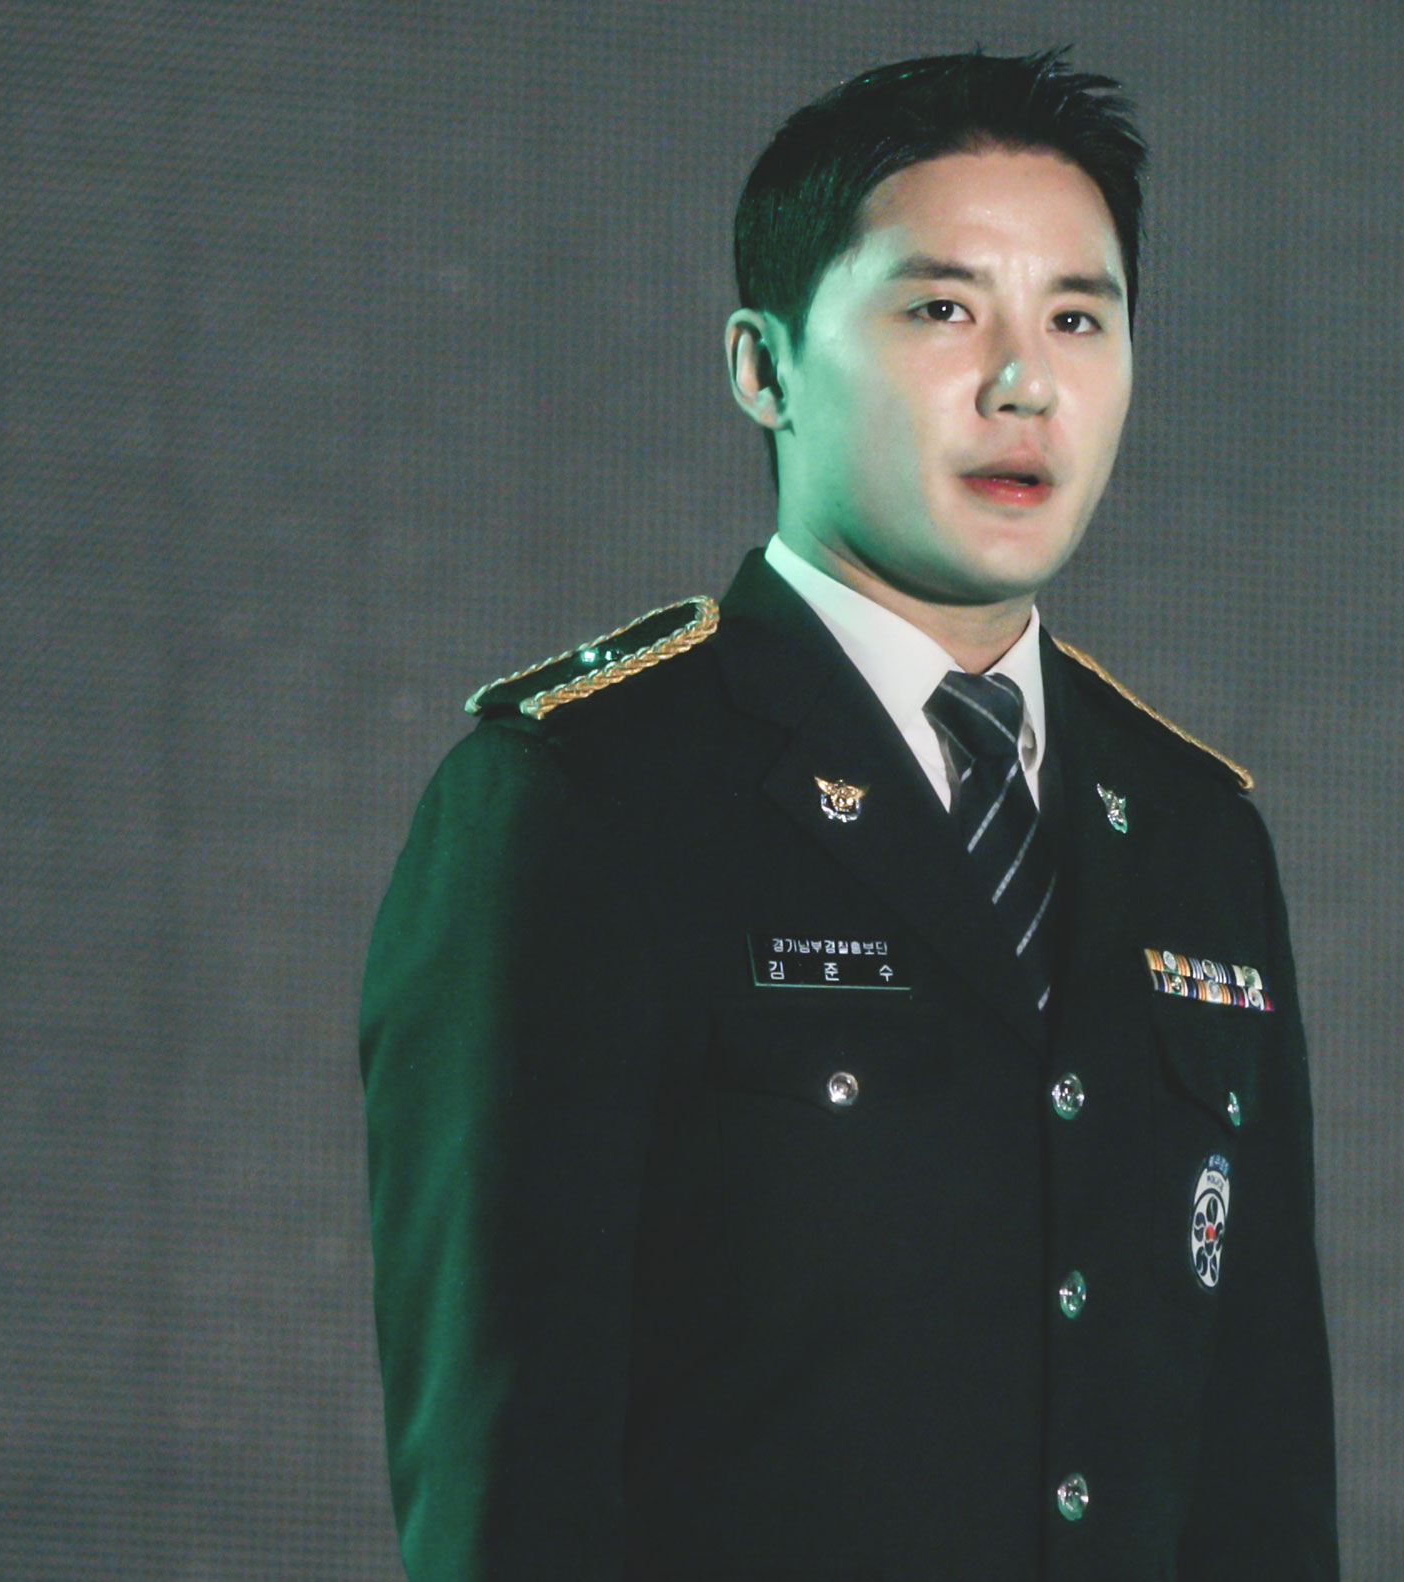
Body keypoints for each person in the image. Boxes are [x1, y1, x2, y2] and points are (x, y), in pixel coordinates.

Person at [360, 47, 1338, 1580]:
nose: (1023, 381)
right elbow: (511, 1478)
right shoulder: (588, 798)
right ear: (762, 367)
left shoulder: (1195, 835)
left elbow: (1258, 1473)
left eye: (1078, 317)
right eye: (943, 310)